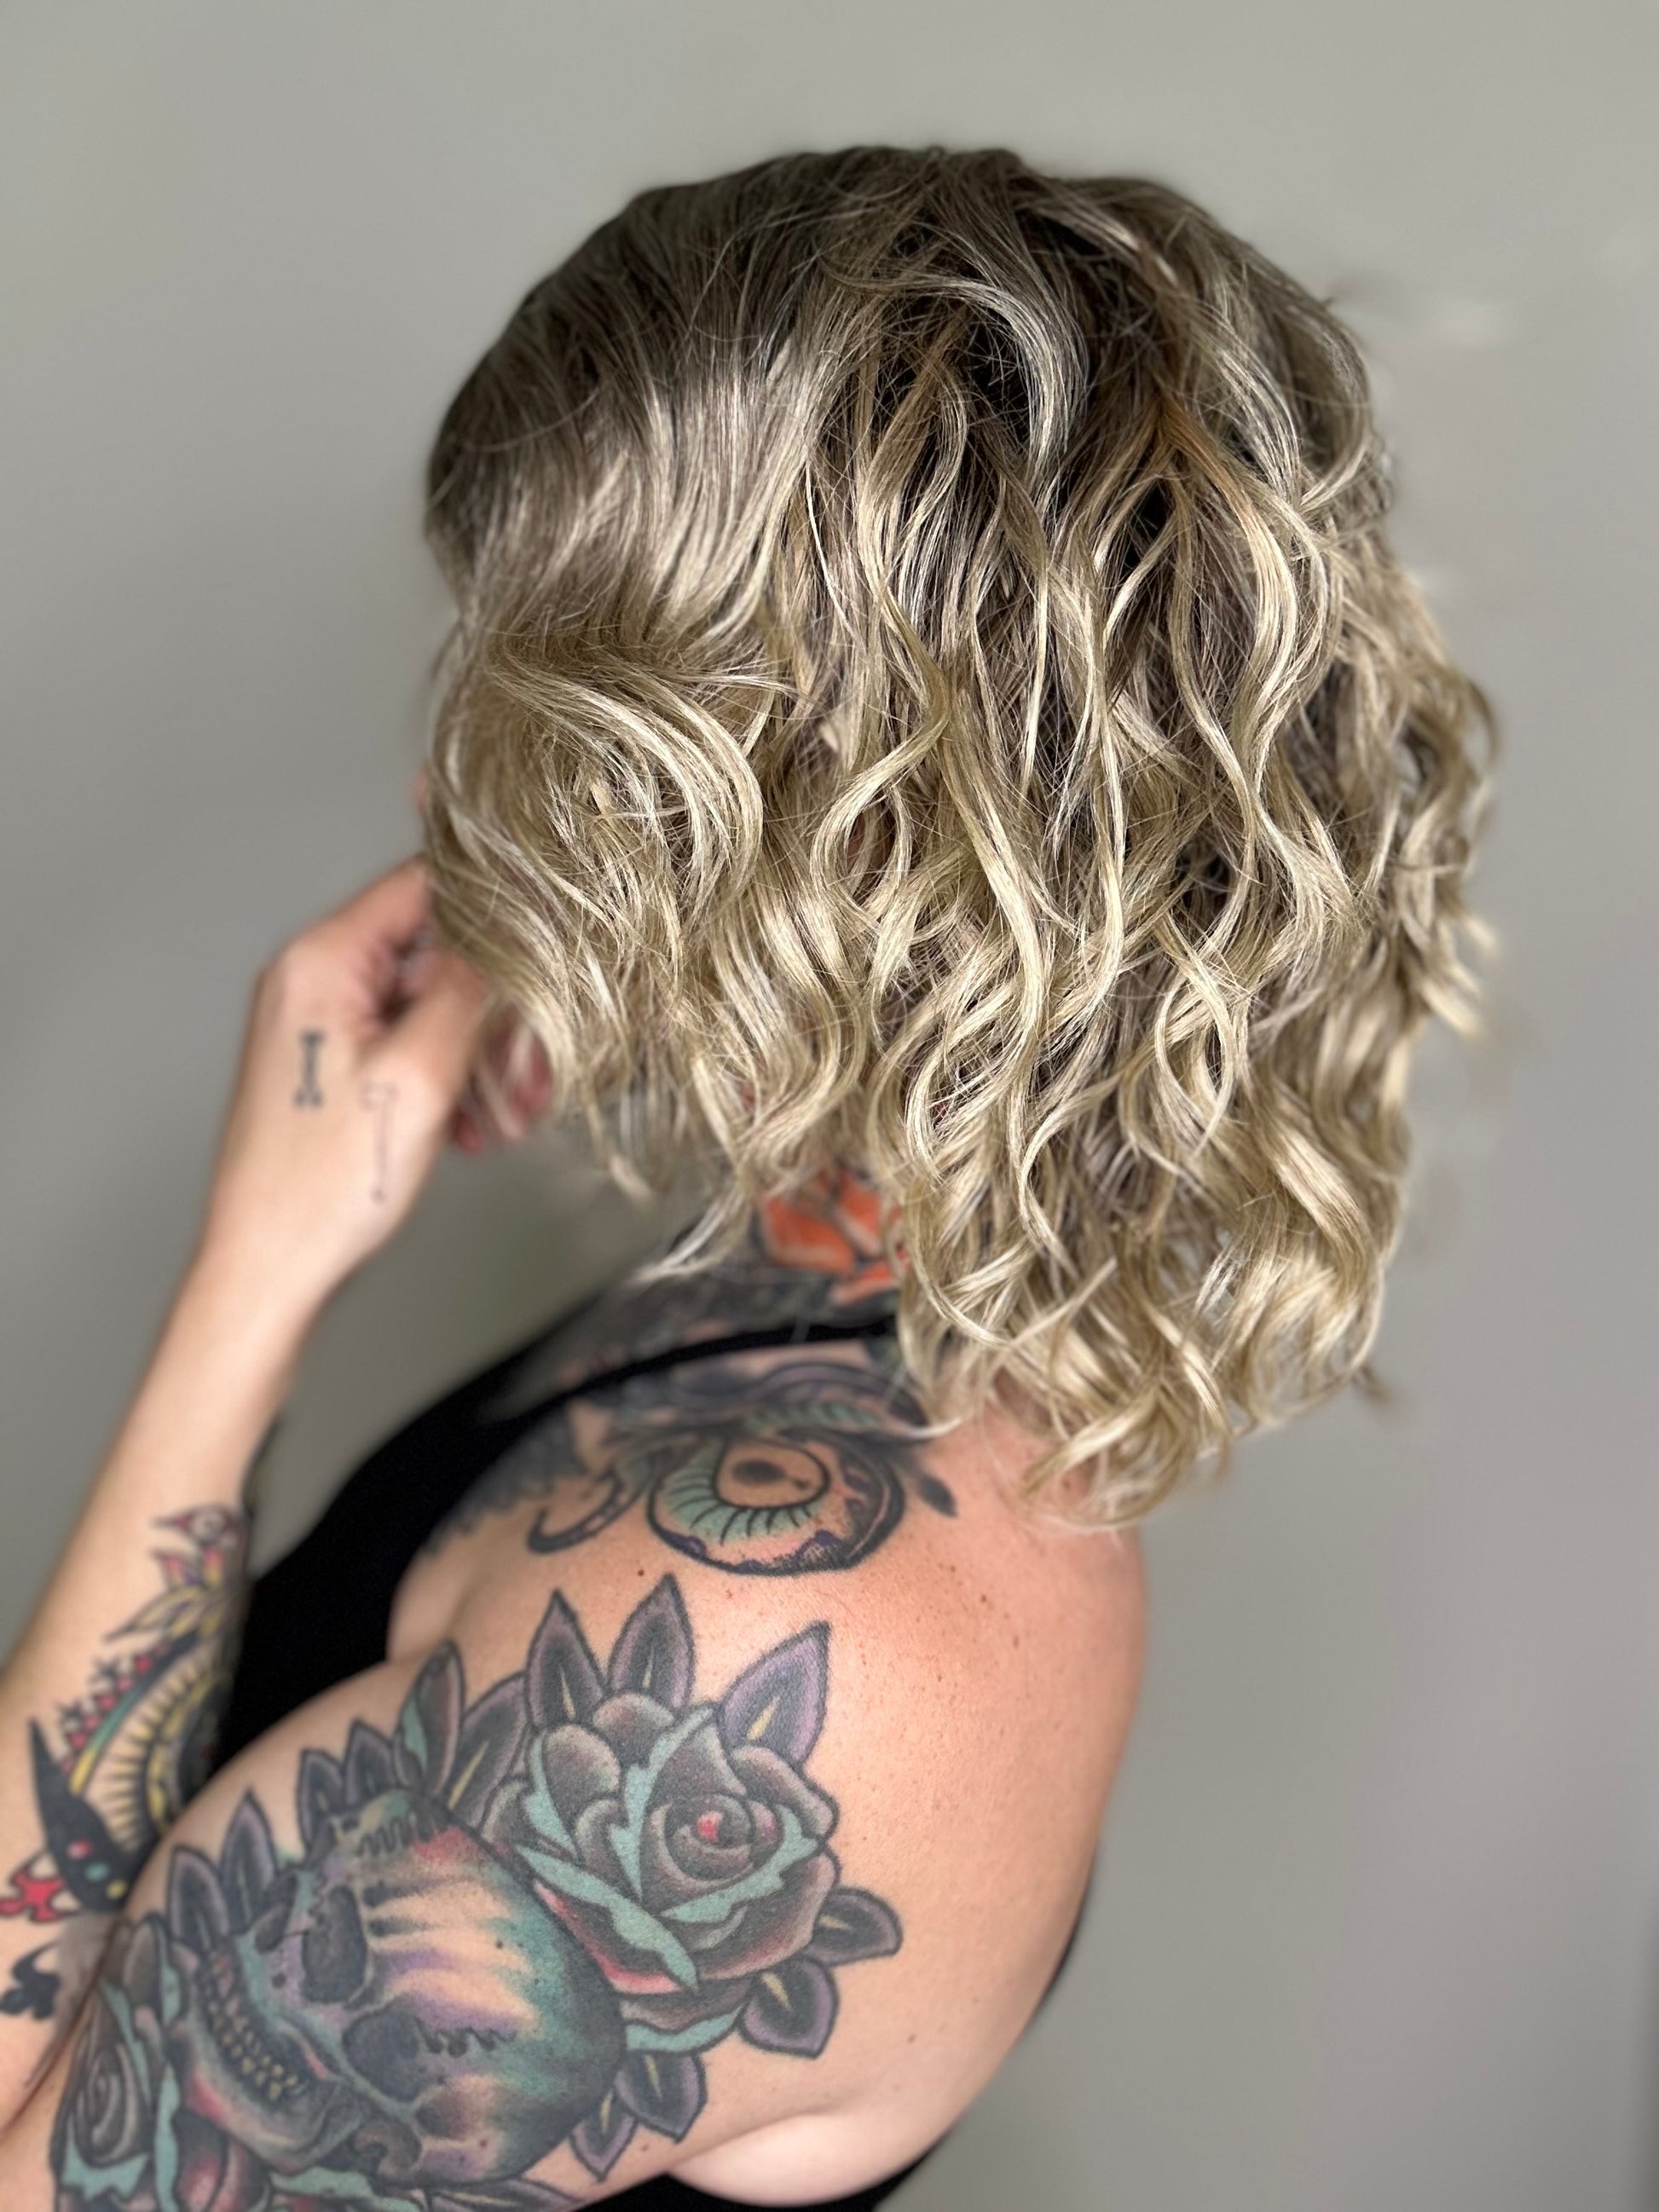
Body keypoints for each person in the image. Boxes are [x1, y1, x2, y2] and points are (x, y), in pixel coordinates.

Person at [0, 146, 1491, 2209]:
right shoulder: (846, 1274)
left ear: (766, 798)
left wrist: (248, 1283)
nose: (451, 782)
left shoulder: (775, 1659)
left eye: (532, 694)